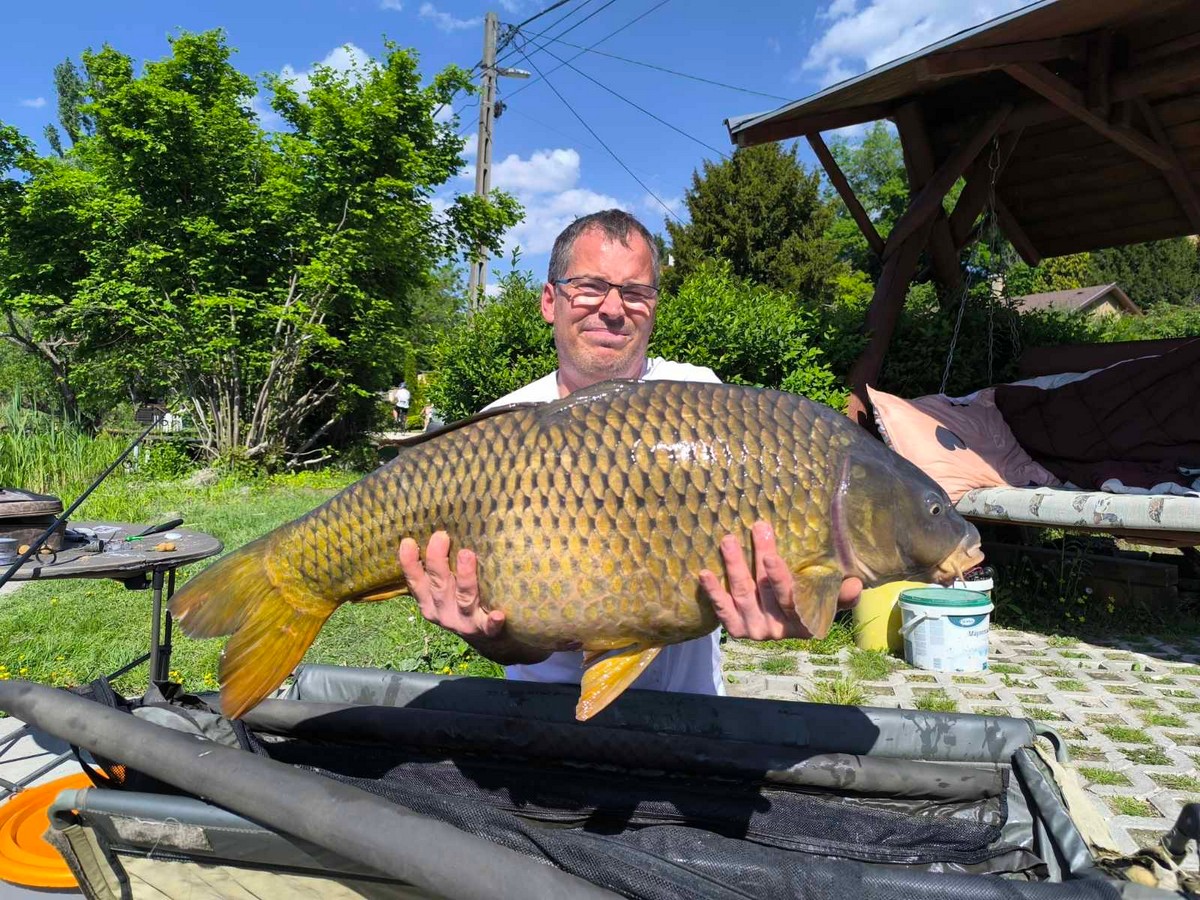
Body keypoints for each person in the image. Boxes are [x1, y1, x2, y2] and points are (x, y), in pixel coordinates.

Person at [398, 209, 862, 698]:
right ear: (550, 301)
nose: (613, 308)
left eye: (635, 292)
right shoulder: (498, 428)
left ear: (654, 307)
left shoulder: (703, 399)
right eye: (589, 287)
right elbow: (513, 646)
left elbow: (842, 582)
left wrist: (800, 602)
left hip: (689, 708)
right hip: (542, 713)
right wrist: (482, 632)